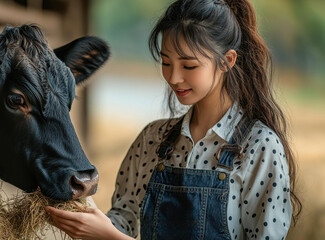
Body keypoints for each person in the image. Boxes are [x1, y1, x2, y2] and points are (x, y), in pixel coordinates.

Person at [45, 0, 301, 239]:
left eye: (189, 66)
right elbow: (124, 219)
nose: (174, 77)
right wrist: (86, 216)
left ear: (227, 61)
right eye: (166, 62)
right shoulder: (152, 139)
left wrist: (110, 237)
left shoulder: (260, 147)